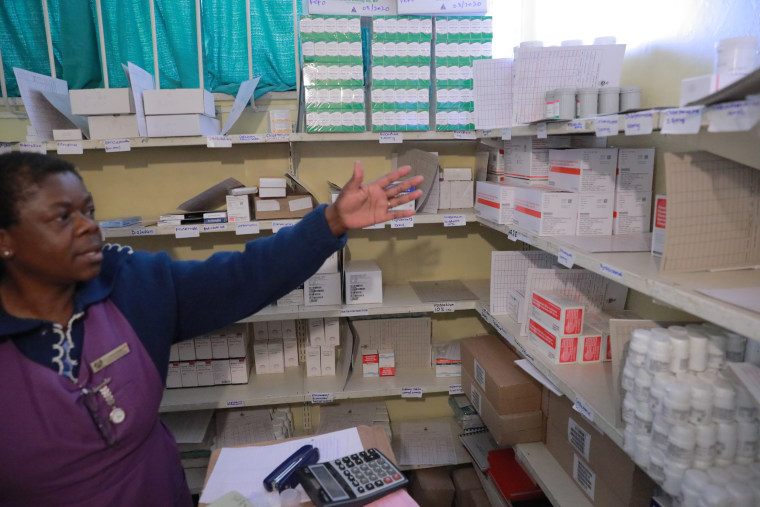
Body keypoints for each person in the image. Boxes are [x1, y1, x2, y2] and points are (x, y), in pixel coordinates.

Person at [0, 151, 423, 506]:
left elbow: (241, 278)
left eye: (89, 211)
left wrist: (330, 221)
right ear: (6, 240)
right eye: (62, 218)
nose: (89, 226)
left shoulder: (132, 284)